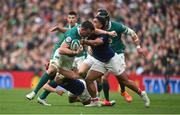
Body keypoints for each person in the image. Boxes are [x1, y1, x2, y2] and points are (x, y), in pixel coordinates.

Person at [80, 15, 150, 108]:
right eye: (93, 21)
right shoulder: (92, 31)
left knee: (125, 81)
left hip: (111, 60)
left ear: (101, 25)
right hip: (100, 61)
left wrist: (85, 42)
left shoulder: (105, 34)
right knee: (89, 79)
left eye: (96, 22)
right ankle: (95, 101)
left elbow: (97, 42)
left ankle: (142, 94)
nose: (94, 23)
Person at [26, 20, 95, 100]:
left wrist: (107, 33)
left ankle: (42, 97)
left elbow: (68, 30)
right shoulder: (71, 36)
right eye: (87, 33)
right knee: (52, 70)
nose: (88, 35)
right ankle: (34, 92)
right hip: (60, 52)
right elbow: (61, 50)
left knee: (62, 78)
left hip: (69, 57)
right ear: (83, 30)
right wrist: (75, 52)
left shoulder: (82, 28)